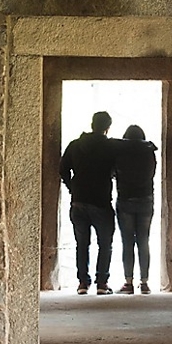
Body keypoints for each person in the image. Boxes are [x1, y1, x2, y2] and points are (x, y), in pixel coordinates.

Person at [60, 111, 118, 295]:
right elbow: (118, 169)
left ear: (92, 124)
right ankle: (102, 283)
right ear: (107, 127)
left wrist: (72, 187)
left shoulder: (75, 145)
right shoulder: (110, 147)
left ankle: (83, 283)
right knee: (105, 244)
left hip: (79, 201)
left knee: (82, 244)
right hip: (101, 201)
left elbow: (63, 169)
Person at [113, 124, 157, 295]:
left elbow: (114, 172)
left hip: (125, 199)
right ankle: (144, 283)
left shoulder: (120, 151)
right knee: (143, 241)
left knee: (127, 242)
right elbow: (151, 173)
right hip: (146, 199)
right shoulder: (148, 151)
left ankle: (128, 282)